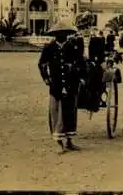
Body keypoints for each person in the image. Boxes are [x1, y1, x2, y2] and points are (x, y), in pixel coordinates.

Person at [38, 21, 83, 154]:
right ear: (55, 35)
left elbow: (79, 62)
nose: (62, 36)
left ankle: (69, 141)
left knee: (70, 112)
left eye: (64, 33)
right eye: (59, 34)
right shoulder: (49, 48)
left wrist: (74, 69)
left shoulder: (72, 46)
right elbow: (41, 64)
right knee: (57, 113)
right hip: (56, 85)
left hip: (71, 84)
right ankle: (59, 143)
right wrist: (46, 78)